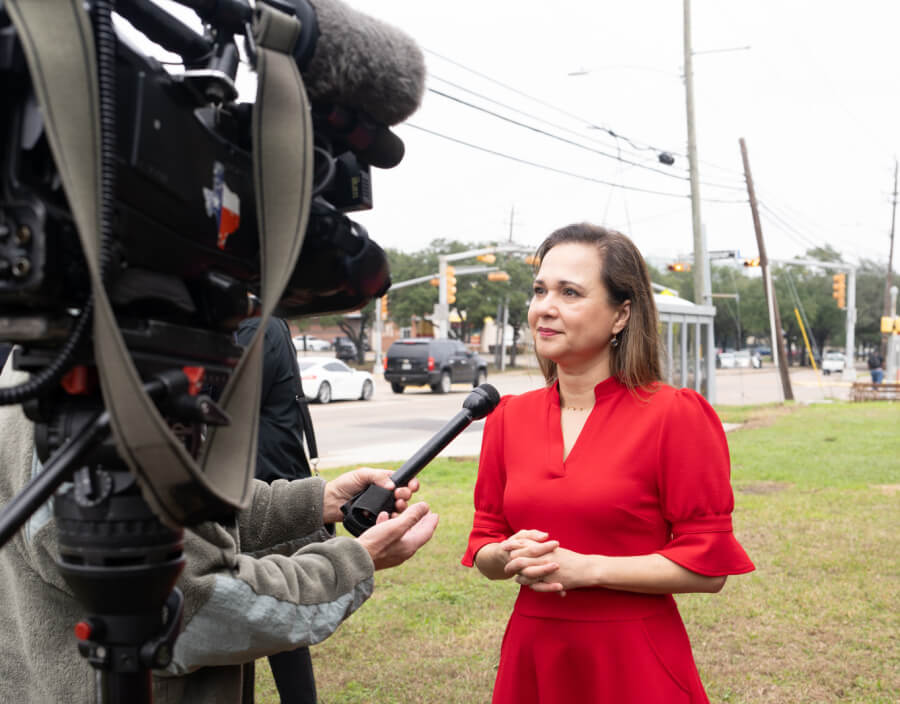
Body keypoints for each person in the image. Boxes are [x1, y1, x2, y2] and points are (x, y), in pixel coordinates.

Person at [0, 357, 438, 703]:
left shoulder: (49, 369)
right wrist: (356, 561)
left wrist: (318, 501)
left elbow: (189, 507)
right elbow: (199, 609)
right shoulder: (94, 394)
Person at [462, 223, 754, 704]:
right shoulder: (507, 417)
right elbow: (484, 549)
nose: (545, 308)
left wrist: (589, 569)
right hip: (533, 655)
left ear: (621, 315)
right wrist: (507, 554)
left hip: (633, 662)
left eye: (570, 292)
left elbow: (709, 569)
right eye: (540, 291)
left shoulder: (674, 415)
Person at [235, 316, 321, 703]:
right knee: (251, 621)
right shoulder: (264, 325)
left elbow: (229, 395)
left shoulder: (259, 327)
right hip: (257, 488)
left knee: (278, 625)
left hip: (270, 490)